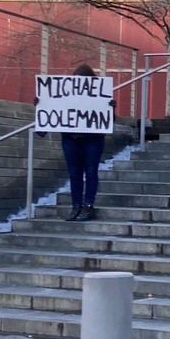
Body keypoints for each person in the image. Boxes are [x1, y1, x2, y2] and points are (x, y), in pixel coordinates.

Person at [59, 63, 109, 222]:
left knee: (91, 172)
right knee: (74, 174)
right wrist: (42, 104)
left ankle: (87, 205)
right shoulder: (65, 95)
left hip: (92, 140)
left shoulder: (99, 96)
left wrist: (110, 108)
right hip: (70, 139)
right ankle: (76, 206)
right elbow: (55, 111)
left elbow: (107, 121)